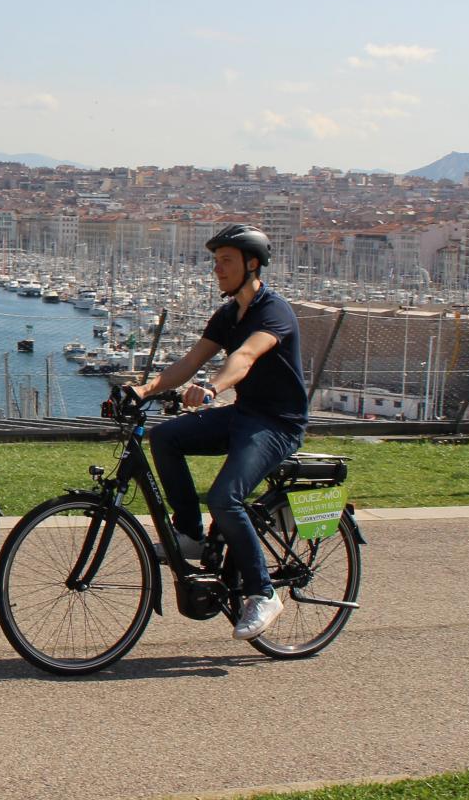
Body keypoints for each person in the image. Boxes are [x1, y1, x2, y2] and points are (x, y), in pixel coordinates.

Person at [133, 224, 308, 642]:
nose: (217, 269)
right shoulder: (229, 314)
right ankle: (190, 533)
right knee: (164, 437)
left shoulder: (273, 311)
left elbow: (246, 357)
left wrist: (213, 388)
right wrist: (140, 390)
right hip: (244, 414)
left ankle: (262, 594)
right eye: (215, 261)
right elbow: (191, 361)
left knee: (225, 498)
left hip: (276, 424)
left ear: (252, 264)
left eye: (226, 261)